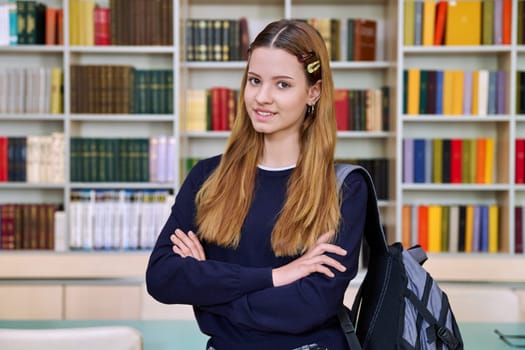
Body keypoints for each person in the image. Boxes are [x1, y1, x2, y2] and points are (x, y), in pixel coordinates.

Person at [145, 18, 368, 350]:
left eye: (282, 84)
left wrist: (208, 289)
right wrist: (275, 277)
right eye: (254, 80)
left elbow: (308, 308)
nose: (262, 97)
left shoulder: (344, 189)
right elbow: (162, 278)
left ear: (313, 92)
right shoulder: (207, 178)